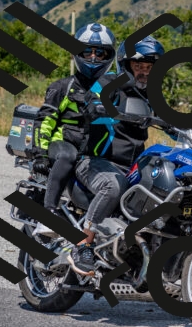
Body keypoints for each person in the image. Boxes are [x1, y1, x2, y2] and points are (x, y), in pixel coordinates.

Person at [70, 36, 166, 273]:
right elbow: (92, 98)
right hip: (96, 162)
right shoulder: (109, 82)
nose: (144, 72)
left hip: (132, 166)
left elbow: (170, 116)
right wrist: (96, 105)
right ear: (126, 65)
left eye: (149, 67)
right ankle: (83, 245)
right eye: (138, 66)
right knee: (113, 186)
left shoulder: (152, 94)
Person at [31, 22, 117, 238]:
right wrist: (40, 153)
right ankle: (48, 214)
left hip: (91, 152)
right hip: (63, 143)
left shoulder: (112, 90)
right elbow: (45, 120)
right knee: (67, 155)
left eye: (100, 52)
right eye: (87, 51)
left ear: (109, 56)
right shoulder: (63, 86)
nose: (93, 57)